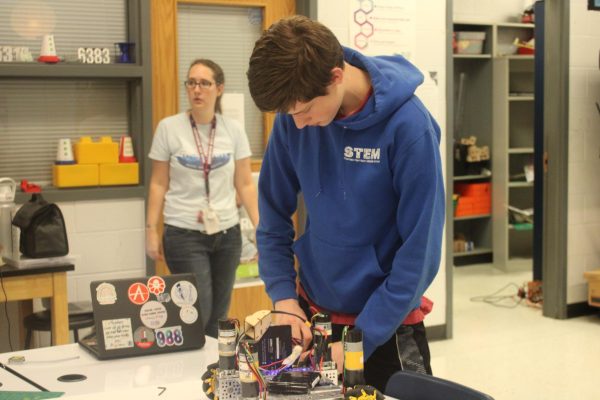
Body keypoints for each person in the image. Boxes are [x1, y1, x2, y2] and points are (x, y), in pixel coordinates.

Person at [247, 16, 444, 391]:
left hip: (388, 325)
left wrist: (361, 338)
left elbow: (420, 254)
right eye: (289, 116)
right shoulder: (294, 118)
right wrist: (284, 300)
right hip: (313, 315)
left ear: (336, 77)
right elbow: (273, 219)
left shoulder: (409, 127)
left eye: (304, 111)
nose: (299, 124)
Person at [146, 58, 259, 338]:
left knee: (219, 316)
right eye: (191, 82)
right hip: (184, 233)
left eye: (204, 83)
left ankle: (211, 375)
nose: (197, 89)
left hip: (227, 232)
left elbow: (245, 183)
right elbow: (158, 182)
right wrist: (150, 230)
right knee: (198, 310)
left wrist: (261, 227)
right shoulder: (169, 128)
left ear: (218, 89)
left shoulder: (232, 130)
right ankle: (189, 373)